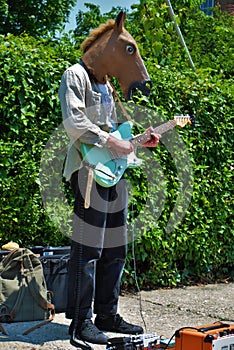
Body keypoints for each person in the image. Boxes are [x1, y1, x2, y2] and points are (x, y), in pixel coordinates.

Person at [58, 12, 160, 346]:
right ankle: (81, 321)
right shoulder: (75, 75)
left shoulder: (107, 86)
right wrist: (108, 141)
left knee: (115, 248)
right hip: (87, 173)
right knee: (87, 250)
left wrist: (138, 139)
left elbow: (115, 133)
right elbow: (74, 123)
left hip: (112, 175)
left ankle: (106, 314)